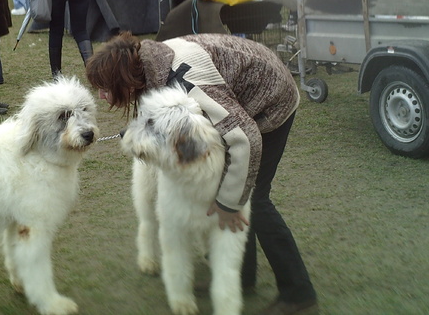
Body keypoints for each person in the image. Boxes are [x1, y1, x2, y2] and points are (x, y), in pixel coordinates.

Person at [85, 32, 319, 315]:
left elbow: (245, 140)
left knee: (253, 198)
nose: (101, 95)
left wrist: (229, 203)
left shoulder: (188, 83)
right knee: (234, 191)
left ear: (124, 79)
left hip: (271, 100)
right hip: (238, 100)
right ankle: (243, 279)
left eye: (106, 87)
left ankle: (299, 293)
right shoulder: (151, 65)